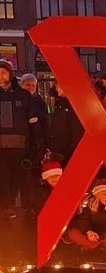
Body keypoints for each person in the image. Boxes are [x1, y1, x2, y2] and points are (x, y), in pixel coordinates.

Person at [0, 59, 35, 222]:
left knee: (16, 179)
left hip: (20, 147)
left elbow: (33, 122)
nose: (0, 76)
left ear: (10, 74)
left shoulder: (23, 95)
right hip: (1, 147)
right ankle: (4, 209)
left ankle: (12, 206)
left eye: (3, 72)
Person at [67, 179, 106, 254]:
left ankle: (91, 245)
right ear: (97, 195)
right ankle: (101, 245)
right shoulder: (90, 205)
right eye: (104, 194)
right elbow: (83, 220)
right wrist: (88, 232)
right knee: (73, 233)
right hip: (90, 234)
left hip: (105, 235)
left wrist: (100, 236)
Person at [19, 73, 50, 218]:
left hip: (38, 143)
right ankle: (26, 206)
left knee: (36, 176)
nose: (30, 88)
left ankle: (36, 205)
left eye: (32, 85)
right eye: (27, 85)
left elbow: (45, 122)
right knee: (23, 178)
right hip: (22, 143)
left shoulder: (39, 102)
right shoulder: (18, 100)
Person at [48, 82, 84, 165]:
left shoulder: (68, 105)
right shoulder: (61, 104)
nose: (56, 88)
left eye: (58, 85)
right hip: (63, 147)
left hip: (67, 147)